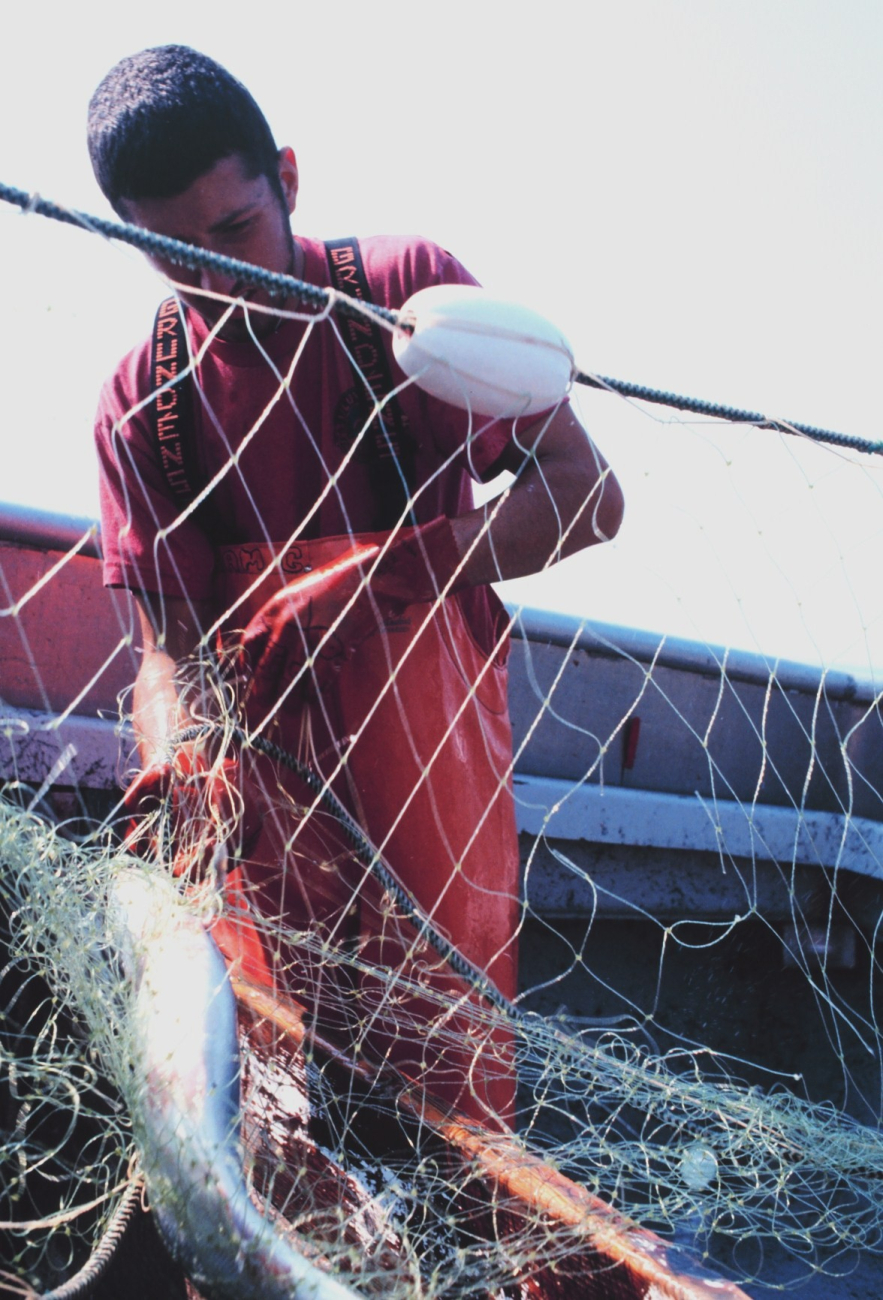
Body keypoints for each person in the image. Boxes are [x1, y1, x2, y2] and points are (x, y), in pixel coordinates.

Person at [89, 45, 624, 1126]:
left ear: (286, 179)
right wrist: (181, 760)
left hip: (430, 776)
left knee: (453, 1086)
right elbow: (170, 647)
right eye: (168, 249)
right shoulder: (139, 403)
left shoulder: (403, 298)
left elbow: (587, 495)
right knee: (277, 1096)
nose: (212, 270)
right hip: (262, 801)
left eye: (234, 229)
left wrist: (389, 572)